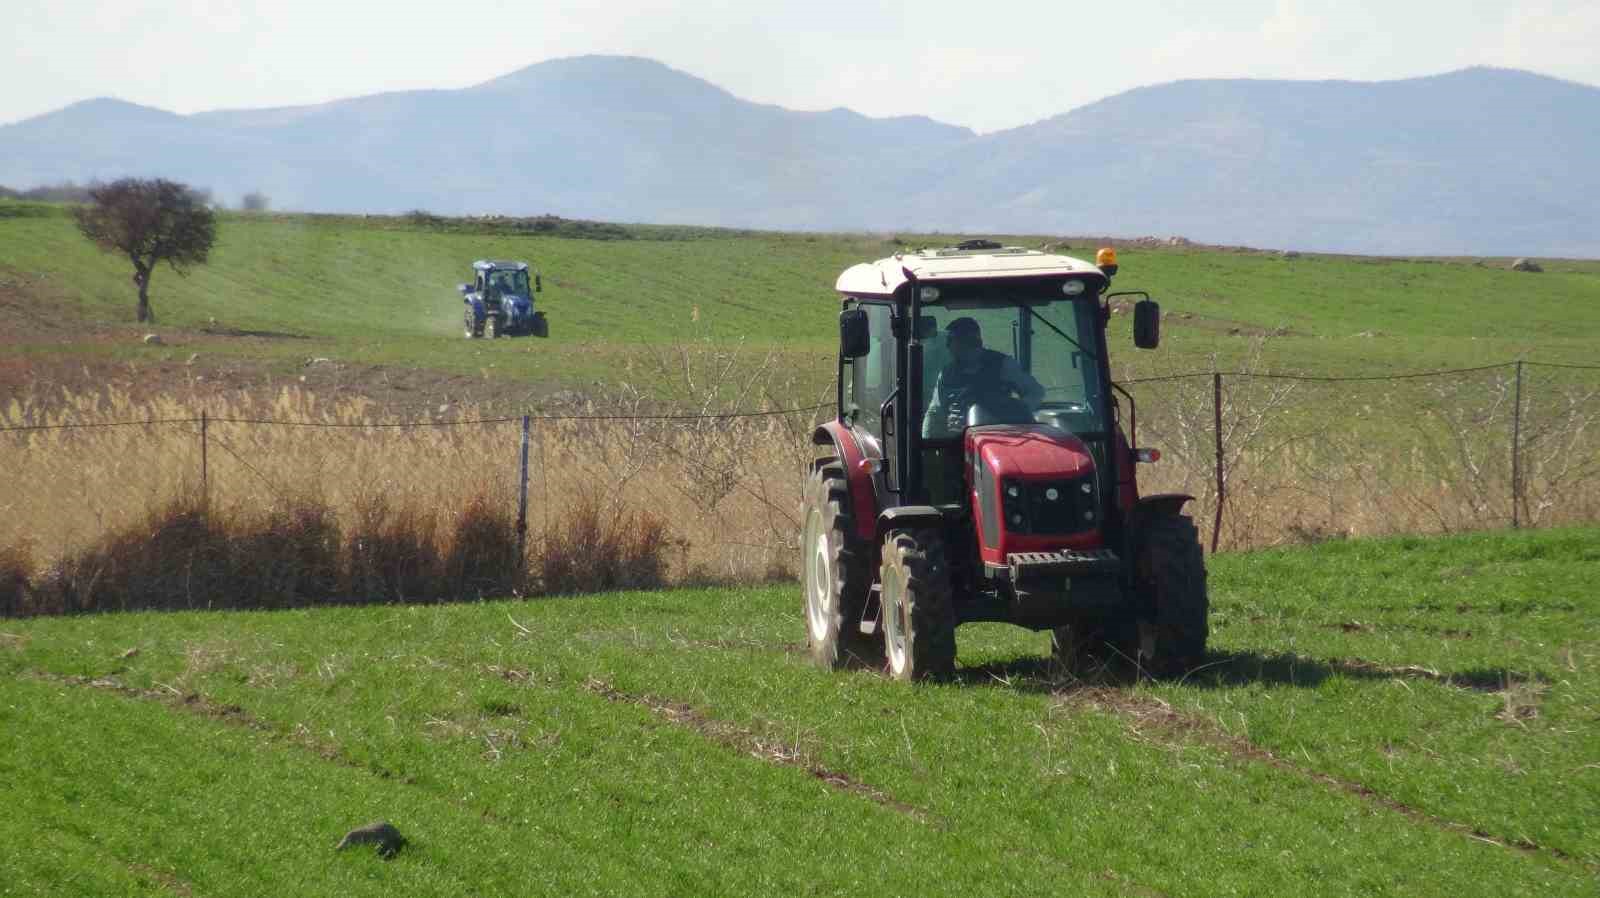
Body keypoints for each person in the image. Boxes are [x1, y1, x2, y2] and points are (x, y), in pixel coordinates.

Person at [921, 316, 1045, 438]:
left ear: (967, 341)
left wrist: (1009, 414)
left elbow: (1035, 392)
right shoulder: (947, 373)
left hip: (997, 439)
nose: (947, 346)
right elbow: (935, 412)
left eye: (950, 340)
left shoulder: (1002, 364)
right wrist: (927, 442)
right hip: (956, 441)